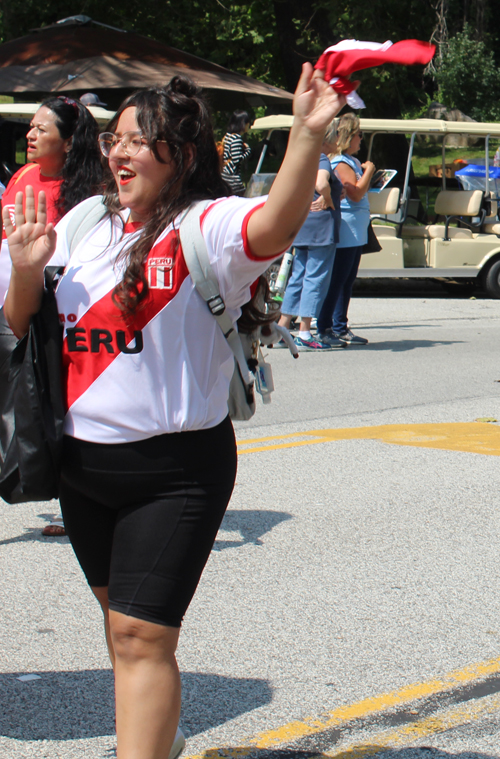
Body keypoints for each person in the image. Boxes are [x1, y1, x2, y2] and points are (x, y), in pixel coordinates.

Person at [3, 68, 344, 759]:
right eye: (114, 140)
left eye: (140, 141)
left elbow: (275, 225)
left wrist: (308, 135)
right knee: (123, 625)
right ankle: (157, 738)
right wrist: (27, 270)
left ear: (182, 155)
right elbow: (17, 322)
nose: (119, 154)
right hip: (82, 468)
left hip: (176, 472)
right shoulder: (85, 222)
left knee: (141, 634)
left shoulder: (205, 226)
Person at [0, 96, 103, 535]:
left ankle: (73, 494)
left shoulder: (92, 192)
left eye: (42, 129)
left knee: (52, 400)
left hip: (58, 311)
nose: (30, 135)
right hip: (11, 301)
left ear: (68, 141)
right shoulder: (22, 177)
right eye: (31, 127)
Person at [277, 118, 344, 351]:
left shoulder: (303, 157)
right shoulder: (322, 158)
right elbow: (320, 182)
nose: (338, 140)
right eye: (336, 135)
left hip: (302, 225)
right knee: (315, 278)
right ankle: (305, 331)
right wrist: (327, 198)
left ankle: (282, 328)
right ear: (328, 138)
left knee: (297, 277)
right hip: (321, 229)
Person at [317, 112, 375, 345]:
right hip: (348, 227)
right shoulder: (340, 161)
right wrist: (369, 170)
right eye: (359, 134)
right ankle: (326, 326)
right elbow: (356, 192)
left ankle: (340, 325)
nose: (361, 139)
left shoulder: (348, 161)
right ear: (348, 136)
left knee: (347, 278)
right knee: (338, 278)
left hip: (356, 227)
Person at [221, 109, 252, 195]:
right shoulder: (236, 138)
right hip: (233, 179)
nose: (248, 125)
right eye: (247, 122)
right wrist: (248, 151)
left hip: (224, 176)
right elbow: (237, 159)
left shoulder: (227, 136)